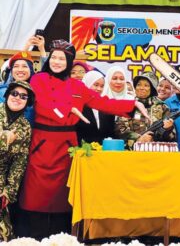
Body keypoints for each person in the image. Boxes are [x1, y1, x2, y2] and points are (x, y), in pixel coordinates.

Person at [16, 39, 149, 240]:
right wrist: (65, 111)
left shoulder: (77, 85)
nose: (57, 62)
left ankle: (63, 241)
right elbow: (42, 104)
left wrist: (132, 104)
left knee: (64, 201)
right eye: (54, 57)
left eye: (62, 59)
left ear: (69, 62)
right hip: (42, 144)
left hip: (67, 147)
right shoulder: (39, 79)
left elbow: (102, 102)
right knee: (37, 199)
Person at [0, 81, 34, 241]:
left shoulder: (25, 126)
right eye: (14, 93)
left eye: (23, 96)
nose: (17, 98)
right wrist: (4, 138)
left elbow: (19, 161)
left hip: (1, 182)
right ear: (7, 95)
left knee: (6, 236)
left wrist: (9, 191)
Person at [115, 71, 176, 150]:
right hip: (131, 153)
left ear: (152, 89)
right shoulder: (128, 104)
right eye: (139, 84)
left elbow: (172, 138)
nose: (141, 88)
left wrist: (167, 129)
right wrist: (138, 138)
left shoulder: (162, 107)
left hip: (155, 153)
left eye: (146, 85)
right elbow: (119, 130)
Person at [76, 70, 115, 144]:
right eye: (96, 85)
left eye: (102, 86)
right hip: (80, 151)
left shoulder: (105, 107)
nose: (99, 89)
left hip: (102, 152)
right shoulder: (78, 105)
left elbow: (110, 133)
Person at [0, 52, 35, 126]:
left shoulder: (37, 91)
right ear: (11, 71)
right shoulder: (2, 92)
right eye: (16, 66)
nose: (20, 70)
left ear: (31, 70)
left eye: (25, 66)